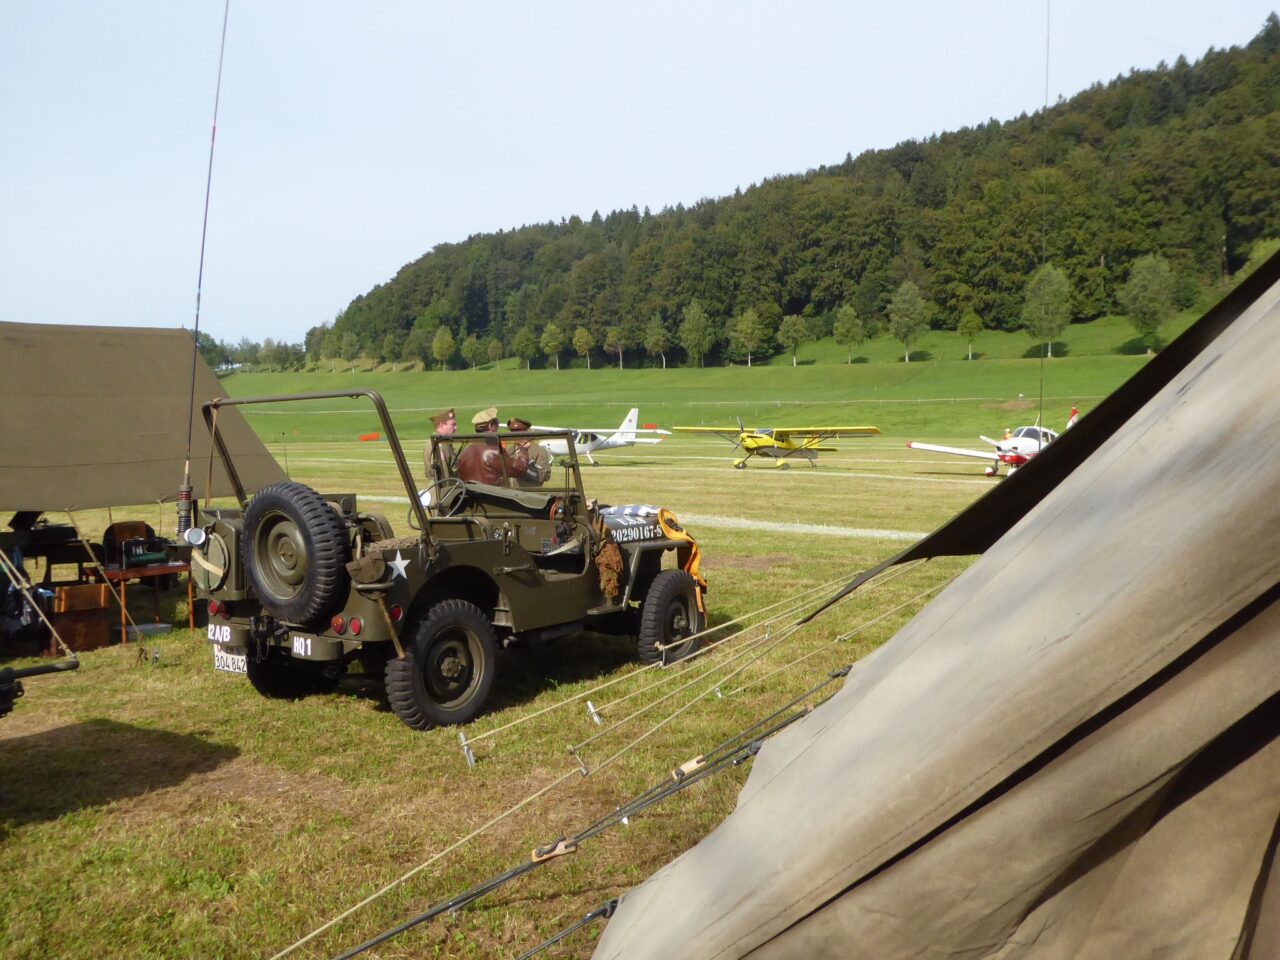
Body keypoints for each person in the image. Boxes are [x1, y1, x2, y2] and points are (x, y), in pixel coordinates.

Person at [455, 407, 529, 484]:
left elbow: (461, 478)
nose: (498, 426)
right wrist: (523, 450)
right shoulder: (496, 450)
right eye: (497, 424)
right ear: (490, 426)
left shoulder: (465, 452)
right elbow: (519, 470)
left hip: (469, 491)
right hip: (491, 491)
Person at [507, 415, 551, 485]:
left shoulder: (538, 450)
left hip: (528, 491)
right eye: (512, 431)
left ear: (526, 431)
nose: (514, 434)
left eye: (517, 430)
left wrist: (527, 468)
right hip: (510, 491)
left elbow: (546, 475)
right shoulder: (509, 451)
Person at [424, 407, 457, 479]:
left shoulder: (435, 441)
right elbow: (445, 476)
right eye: (453, 425)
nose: (456, 427)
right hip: (444, 484)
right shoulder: (441, 446)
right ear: (441, 425)